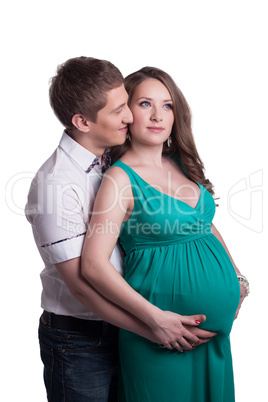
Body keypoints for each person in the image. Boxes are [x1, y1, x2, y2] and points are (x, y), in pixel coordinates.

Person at [25, 57, 216, 402]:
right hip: (80, 342)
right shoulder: (55, 187)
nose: (130, 116)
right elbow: (83, 286)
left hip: (127, 329)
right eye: (119, 111)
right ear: (82, 121)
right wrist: (154, 326)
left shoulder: (114, 160)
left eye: (128, 105)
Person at [81, 66, 250, 401]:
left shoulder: (182, 166)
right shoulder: (120, 179)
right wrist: (155, 321)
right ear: (126, 113)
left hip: (214, 340)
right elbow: (93, 265)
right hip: (163, 337)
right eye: (145, 104)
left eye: (168, 105)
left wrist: (236, 278)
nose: (158, 114)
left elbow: (203, 226)